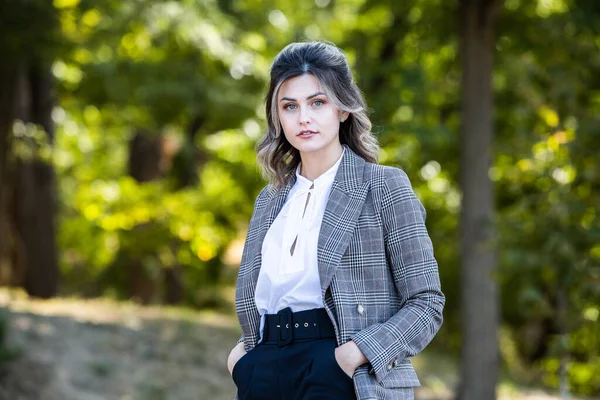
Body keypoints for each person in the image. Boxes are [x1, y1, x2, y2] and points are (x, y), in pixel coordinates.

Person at [226, 41, 444, 400]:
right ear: (277, 116)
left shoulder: (383, 186)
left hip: (339, 371)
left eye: (317, 102)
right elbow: (265, 298)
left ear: (343, 108)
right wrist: (241, 361)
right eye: (290, 106)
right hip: (262, 372)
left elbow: (426, 302)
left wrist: (353, 355)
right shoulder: (269, 200)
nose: (303, 118)